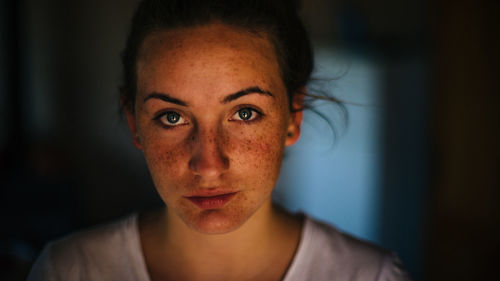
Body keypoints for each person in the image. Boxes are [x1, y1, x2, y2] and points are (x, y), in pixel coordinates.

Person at [28, 0, 411, 280]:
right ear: (135, 125)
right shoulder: (69, 270)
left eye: (245, 113)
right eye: (172, 117)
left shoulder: (368, 276)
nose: (209, 164)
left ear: (293, 118)